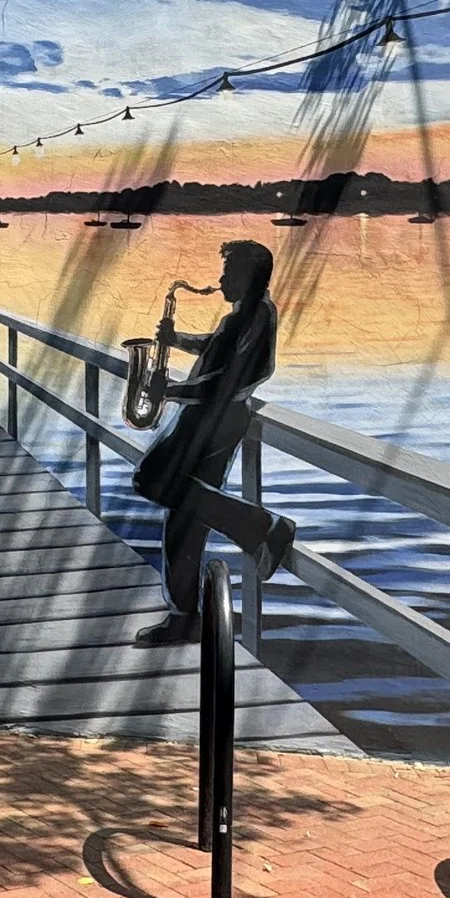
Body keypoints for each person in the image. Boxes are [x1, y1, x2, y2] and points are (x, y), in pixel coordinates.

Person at [130, 238, 298, 646]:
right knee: (185, 520)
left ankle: (263, 525)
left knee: (151, 479)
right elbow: (218, 351)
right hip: (211, 418)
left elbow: (225, 384)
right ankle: (184, 615)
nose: (220, 281)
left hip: (215, 420)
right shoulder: (246, 315)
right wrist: (178, 340)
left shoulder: (256, 315)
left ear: (248, 277)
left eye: (229, 274)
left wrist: (170, 391)